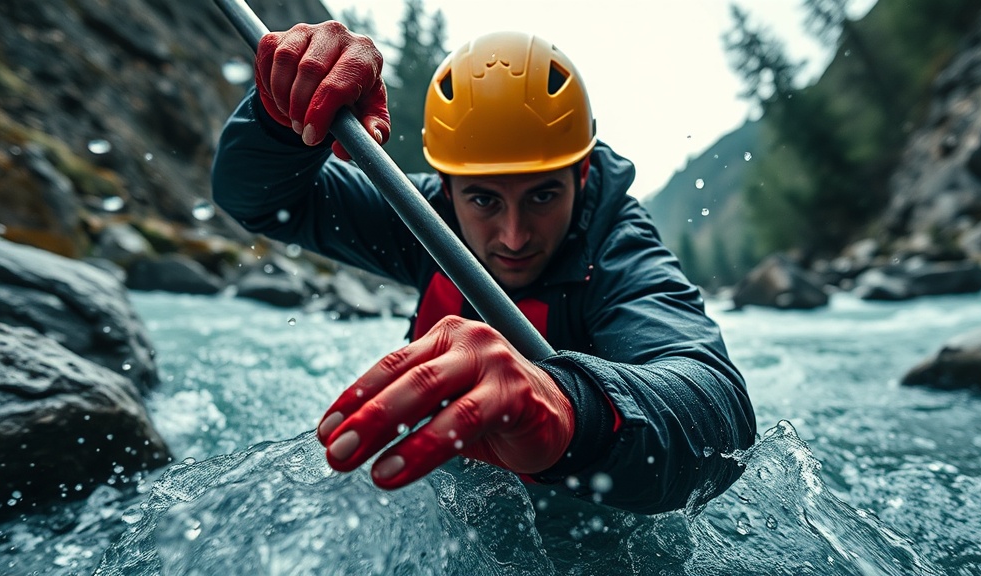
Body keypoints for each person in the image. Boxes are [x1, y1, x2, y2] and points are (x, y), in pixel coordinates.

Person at [212, 21, 755, 515]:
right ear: (446, 190)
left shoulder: (617, 246)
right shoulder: (424, 218)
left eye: (543, 195)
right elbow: (257, 199)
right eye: (485, 201)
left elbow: (718, 411)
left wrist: (570, 410)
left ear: (583, 175)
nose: (514, 236)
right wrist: (280, 119)